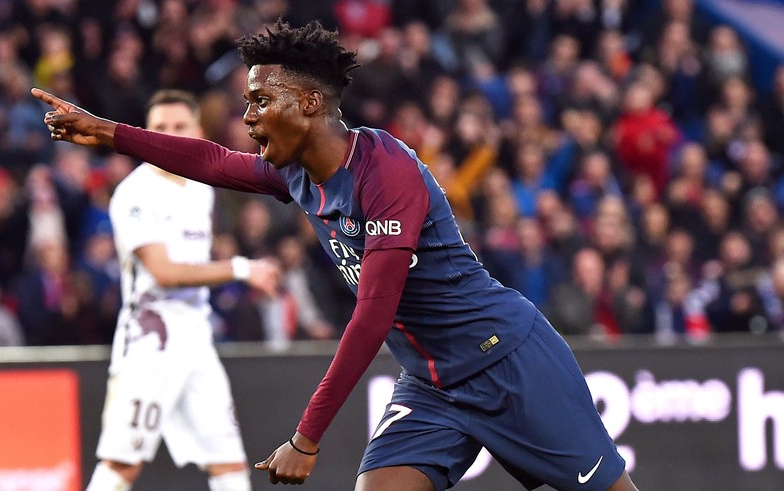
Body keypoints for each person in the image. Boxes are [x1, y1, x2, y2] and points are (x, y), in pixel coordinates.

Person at [32, 19, 639, 491]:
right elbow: (212, 161)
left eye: (259, 102)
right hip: (433, 386)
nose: (247, 118)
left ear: (309, 103)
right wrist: (108, 132)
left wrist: (307, 435)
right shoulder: (295, 173)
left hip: (508, 362)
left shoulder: (386, 170)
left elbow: (373, 315)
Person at [82, 89, 281, 491]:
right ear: (145, 133)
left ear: (199, 132)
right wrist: (241, 268)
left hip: (197, 341)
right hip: (149, 343)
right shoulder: (134, 193)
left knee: (228, 463)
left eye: (179, 127)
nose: (169, 136)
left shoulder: (201, 188)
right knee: (122, 464)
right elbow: (164, 273)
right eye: (160, 128)